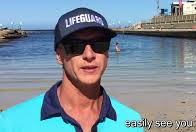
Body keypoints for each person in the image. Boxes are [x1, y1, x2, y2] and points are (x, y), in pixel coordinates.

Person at [0, 8, 143, 132]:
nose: (89, 55)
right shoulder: (11, 124)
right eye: (75, 46)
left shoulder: (131, 122)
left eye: (99, 44)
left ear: (107, 53)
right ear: (59, 55)